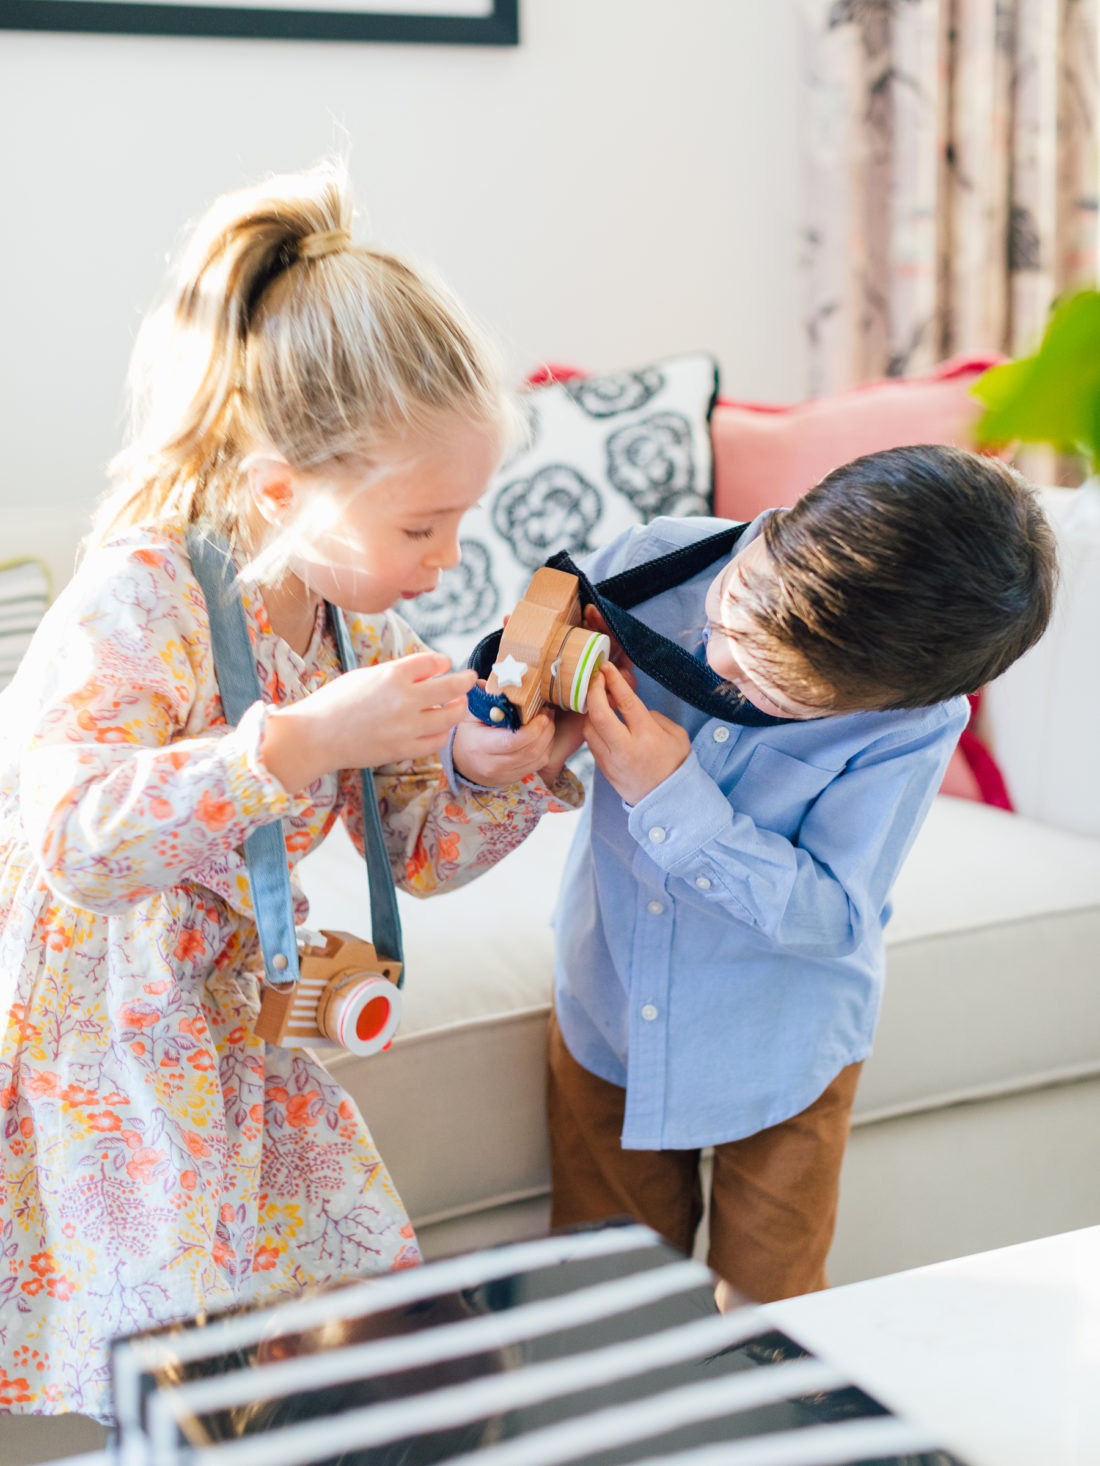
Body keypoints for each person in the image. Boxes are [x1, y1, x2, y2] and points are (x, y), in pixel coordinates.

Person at [0, 166, 580, 1421]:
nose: (445, 560)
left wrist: (486, 773)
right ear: (280, 492)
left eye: (458, 523)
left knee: (360, 1314)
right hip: (115, 1042)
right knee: (182, 1361)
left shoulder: (340, 620)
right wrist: (298, 740)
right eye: (422, 529)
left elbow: (415, 853)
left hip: (237, 1030)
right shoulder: (140, 592)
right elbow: (74, 838)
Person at [546, 444, 1057, 1306]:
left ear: (885, 699)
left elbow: (834, 914)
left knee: (774, 1322)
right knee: (600, 1306)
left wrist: (671, 797)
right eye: (734, 609)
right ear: (782, 525)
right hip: (608, 1012)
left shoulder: (912, 726)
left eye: (782, 688)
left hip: (779, 1049)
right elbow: (509, 676)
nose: (719, 664)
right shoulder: (651, 564)